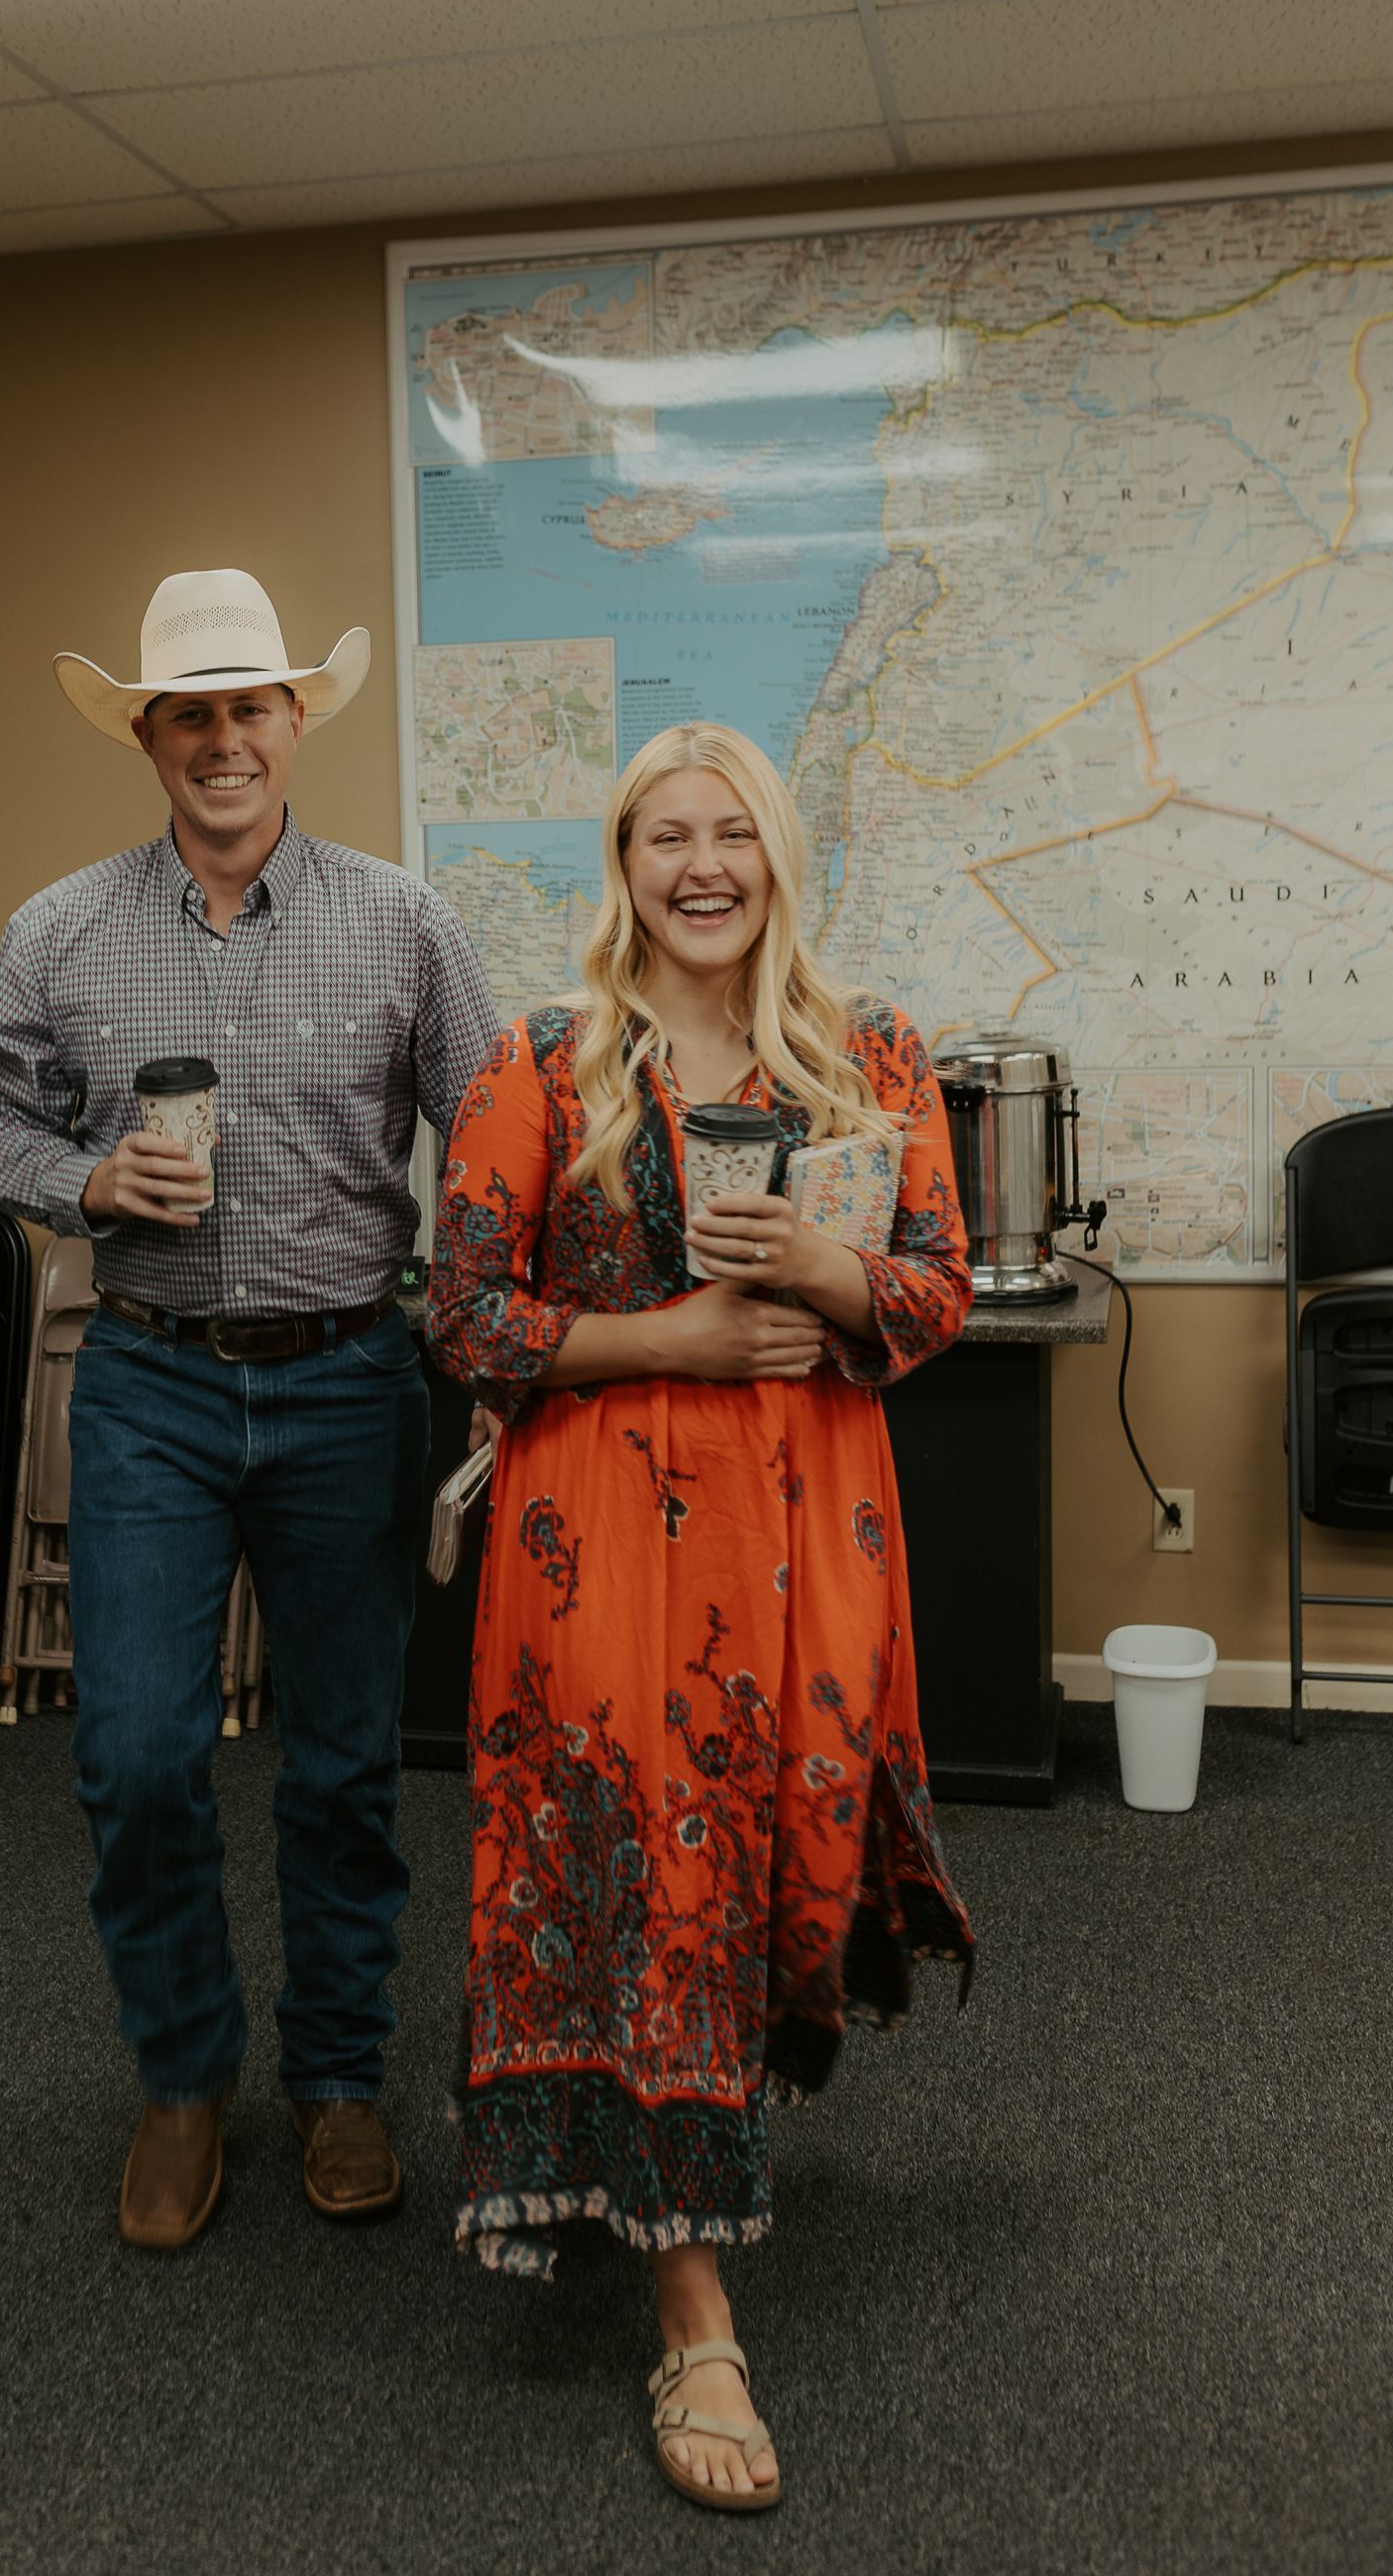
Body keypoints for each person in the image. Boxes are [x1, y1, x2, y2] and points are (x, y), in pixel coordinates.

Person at [426, 719, 975, 2514]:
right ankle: (694, 2308)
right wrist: (663, 1337)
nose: (702, 866)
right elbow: (462, 1318)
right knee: (647, 1866)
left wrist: (828, 1271)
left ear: (778, 854)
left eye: (732, 831)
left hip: (815, 1533)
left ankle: (645, 2147)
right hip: (603, 1544)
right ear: (624, 861)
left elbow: (937, 1292)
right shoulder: (542, 1058)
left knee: (771, 1862)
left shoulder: (873, 1050)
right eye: (666, 836)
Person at [0, 567, 498, 2251]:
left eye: (248, 707)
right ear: (148, 733)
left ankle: (335, 2082)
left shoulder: (404, 921)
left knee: (342, 1766)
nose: (221, 739)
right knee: (132, 1757)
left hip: (350, 1381)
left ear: (293, 725)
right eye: (188, 711)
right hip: (149, 1388)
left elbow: (491, 1137)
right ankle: (185, 2082)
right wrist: (83, 1171)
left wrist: (513, 1343)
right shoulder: (57, 929)